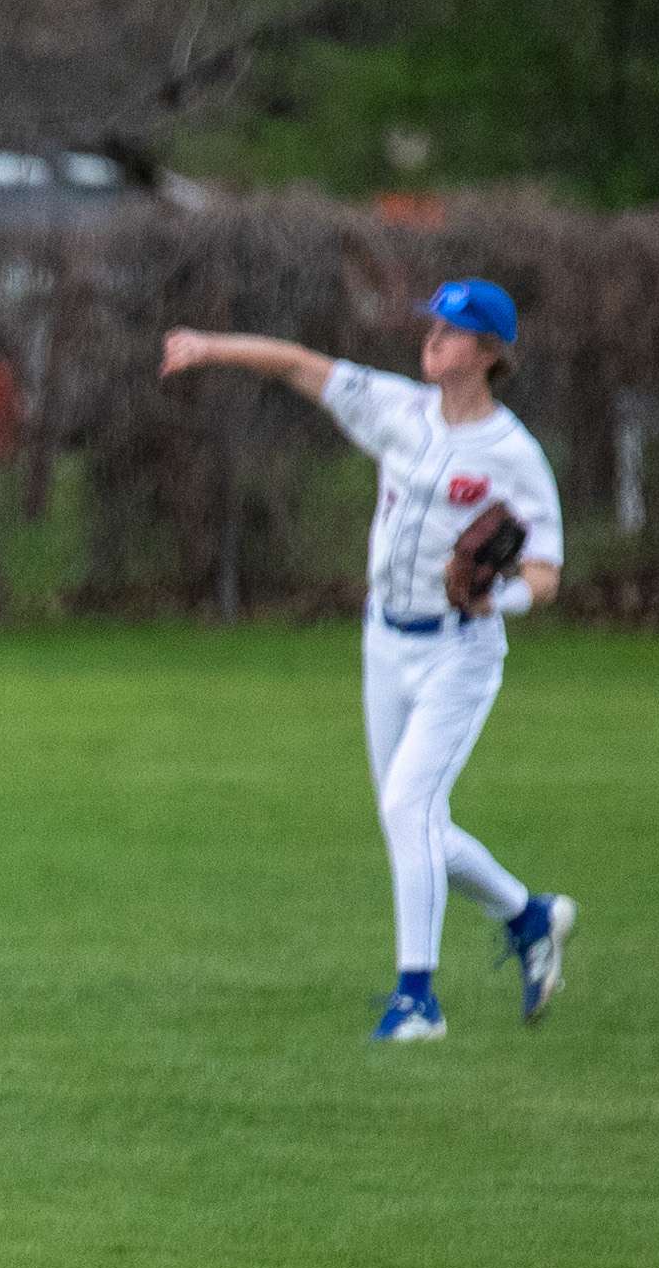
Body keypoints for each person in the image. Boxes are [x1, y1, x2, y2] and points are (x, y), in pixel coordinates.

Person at [158, 277, 581, 1042]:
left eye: (450, 332)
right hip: (385, 642)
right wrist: (211, 347)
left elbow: (546, 575)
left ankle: (417, 1000)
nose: (432, 340)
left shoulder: (513, 455)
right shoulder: (398, 409)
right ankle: (529, 916)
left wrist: (500, 601)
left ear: (487, 354)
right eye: (432, 327)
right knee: (411, 820)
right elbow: (297, 366)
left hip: (460, 653)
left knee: (406, 810)